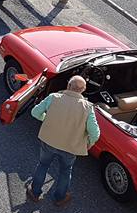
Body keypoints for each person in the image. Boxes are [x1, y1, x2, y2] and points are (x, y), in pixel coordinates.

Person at [26, 75, 101, 206]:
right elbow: (95, 133)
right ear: (83, 90)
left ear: (68, 85)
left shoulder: (53, 97)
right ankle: (59, 198)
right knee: (65, 171)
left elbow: (35, 112)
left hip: (49, 140)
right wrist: (89, 143)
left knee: (43, 165)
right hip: (70, 147)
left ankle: (35, 192)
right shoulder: (88, 107)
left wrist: (46, 119)